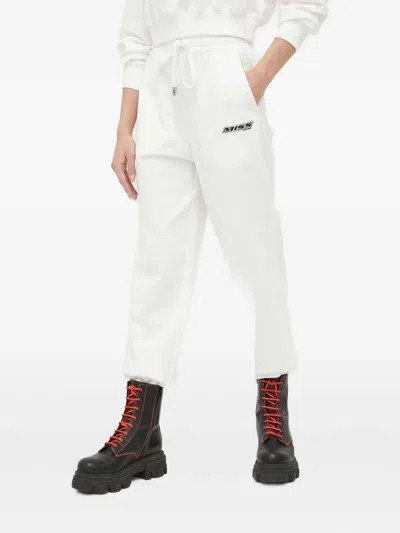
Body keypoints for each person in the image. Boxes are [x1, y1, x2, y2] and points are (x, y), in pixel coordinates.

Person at [72, 0, 327, 494]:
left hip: (229, 88)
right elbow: (136, 38)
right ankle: (141, 430)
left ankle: (273, 417)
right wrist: (125, 127)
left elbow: (308, 5)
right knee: (157, 264)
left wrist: (253, 81)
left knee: (256, 257)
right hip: (158, 102)